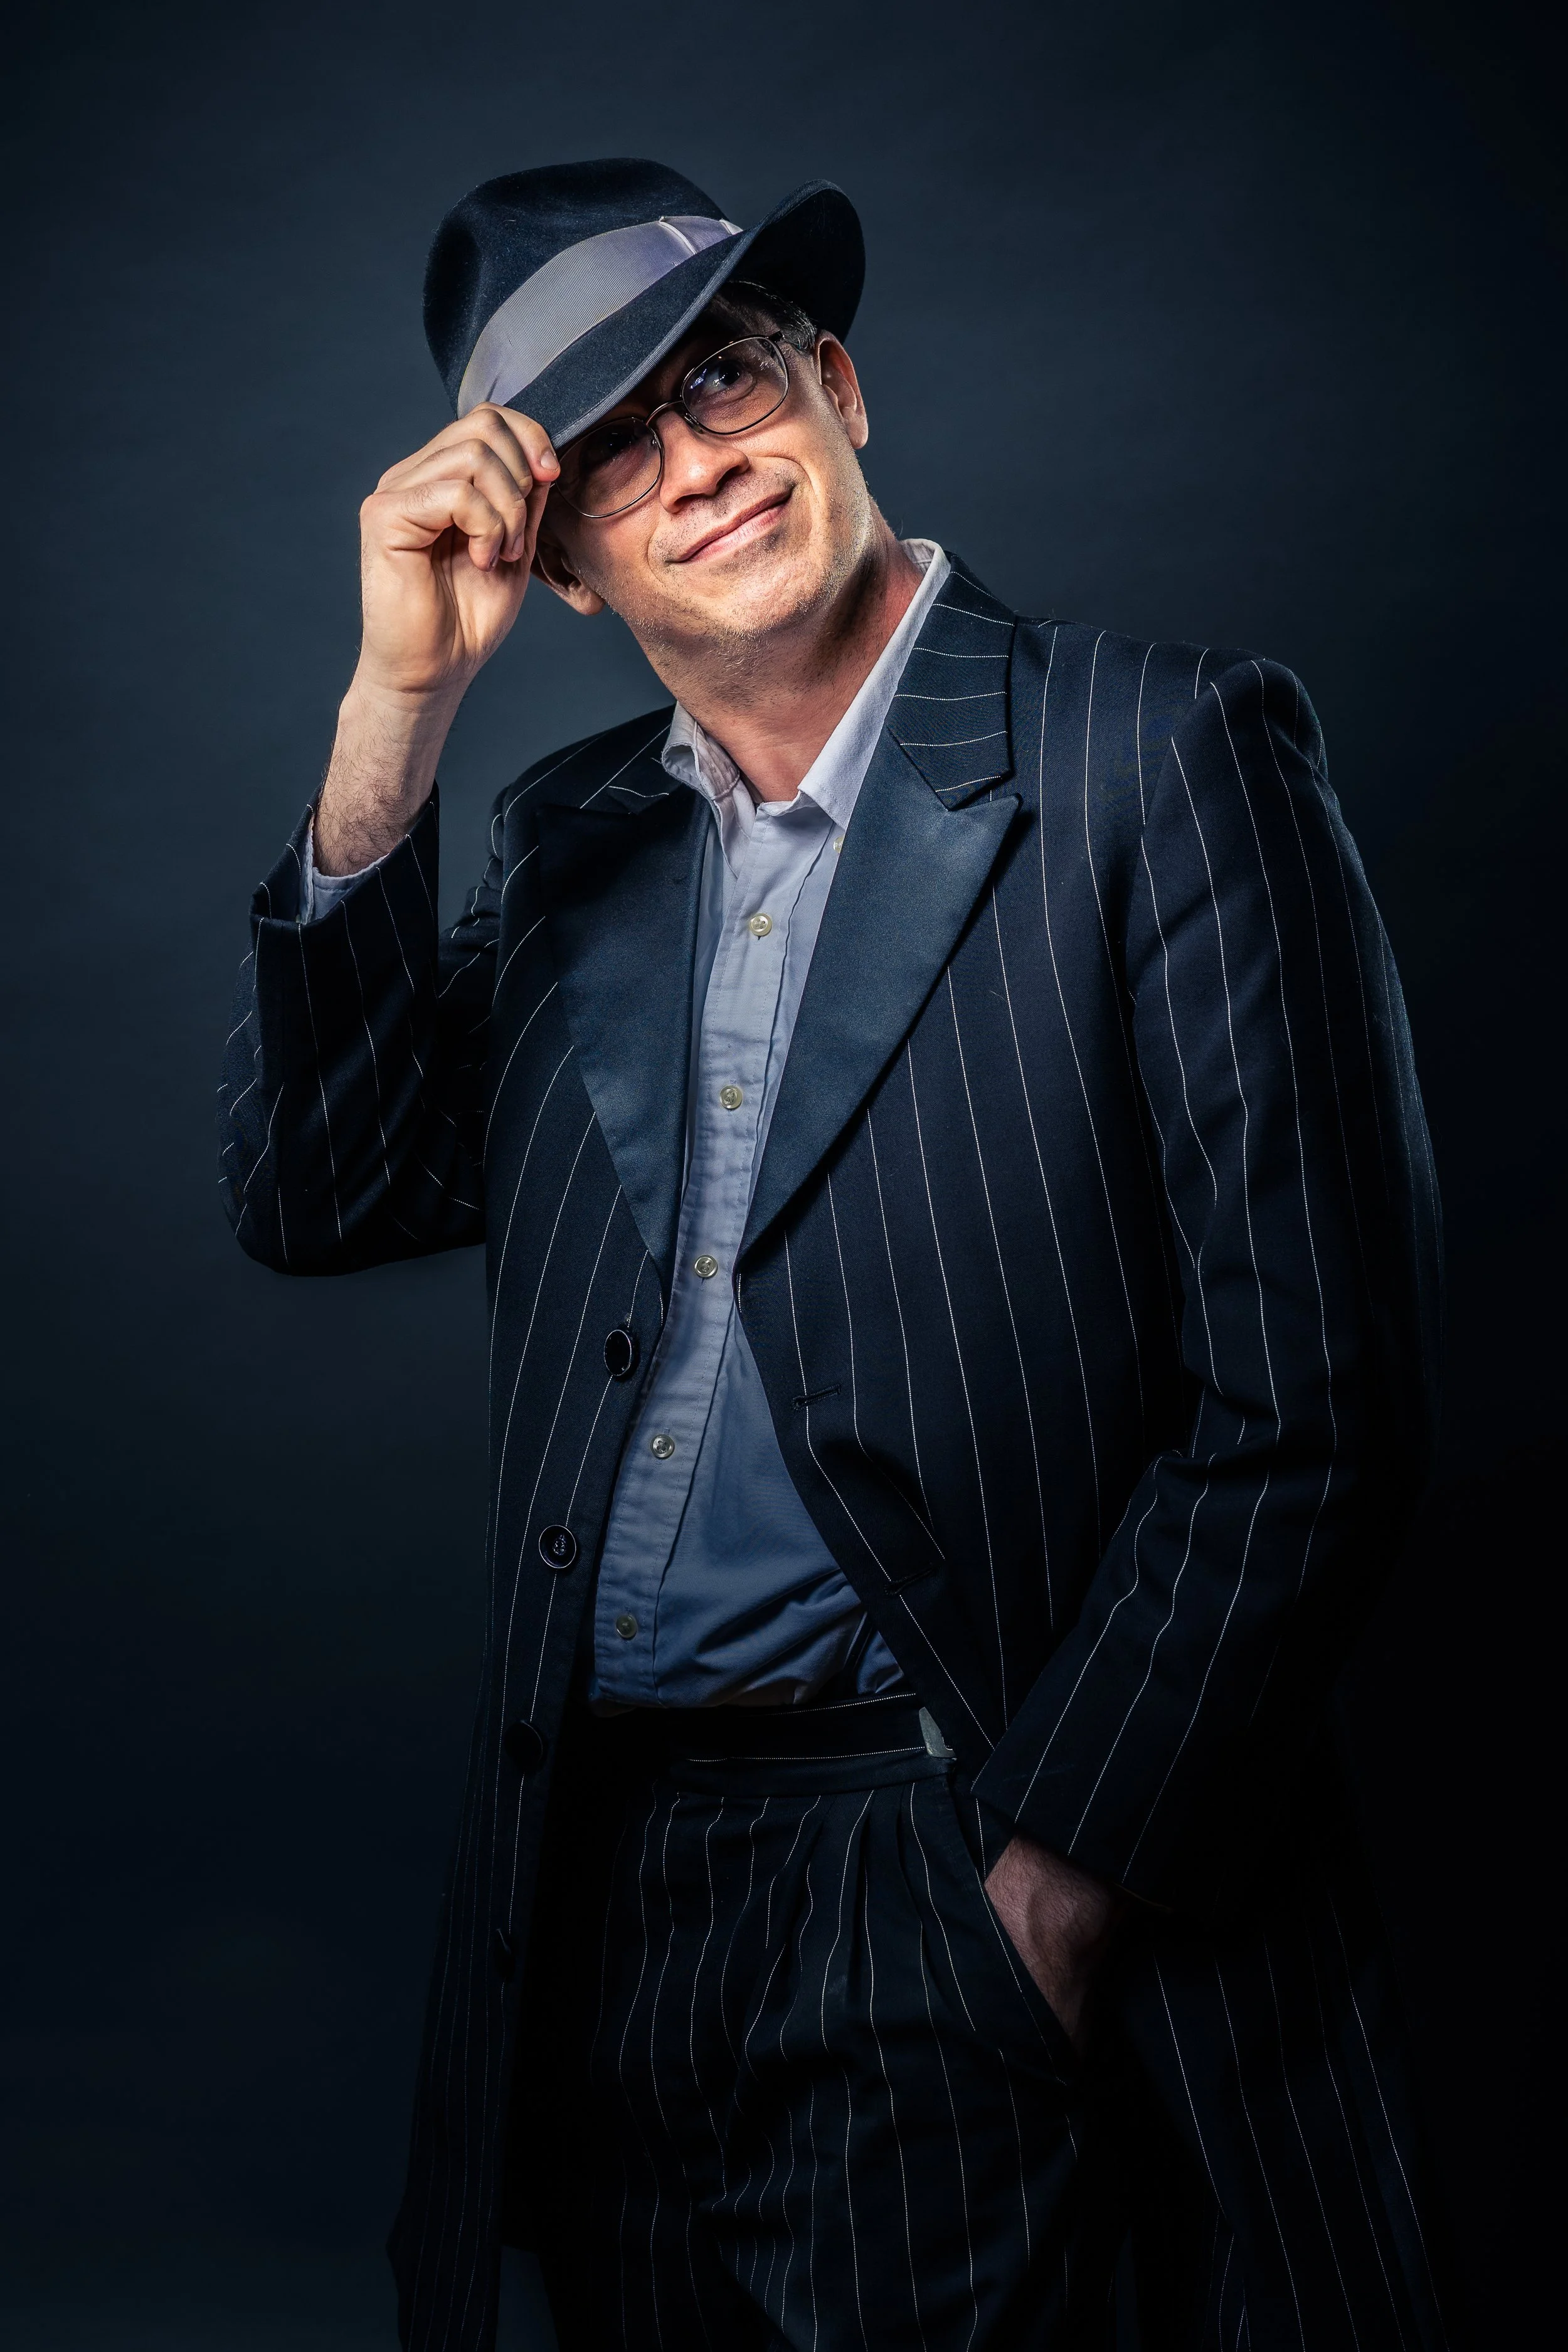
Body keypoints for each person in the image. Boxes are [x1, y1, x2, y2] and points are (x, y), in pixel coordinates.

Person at [220, 159, 1454, 2352]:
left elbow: (1313, 1402)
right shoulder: (570, 841)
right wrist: (392, 712)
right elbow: (321, 1193)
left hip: (957, 1849)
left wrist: (1048, 1891)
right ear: (557, 566)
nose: (693, 464)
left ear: (839, 391)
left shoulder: (1158, 758)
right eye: (608, 453)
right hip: (606, 1887)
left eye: (723, 382)